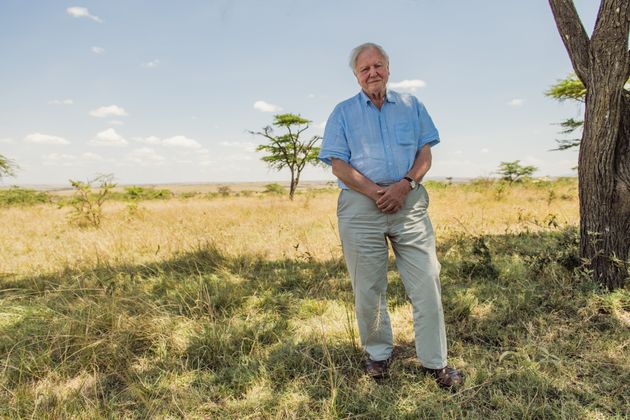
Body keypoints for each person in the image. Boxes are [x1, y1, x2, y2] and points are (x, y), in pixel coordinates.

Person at [318, 42, 463, 388]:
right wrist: (376, 192)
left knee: (426, 279)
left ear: (388, 68)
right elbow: (338, 164)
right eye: (365, 69)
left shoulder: (412, 106)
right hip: (360, 206)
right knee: (369, 286)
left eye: (378, 66)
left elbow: (425, 153)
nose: (373, 73)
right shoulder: (342, 112)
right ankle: (378, 356)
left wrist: (405, 185)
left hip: (408, 201)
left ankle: (435, 363)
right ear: (356, 76)